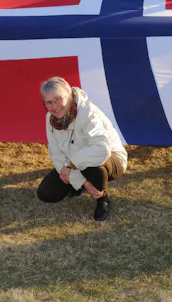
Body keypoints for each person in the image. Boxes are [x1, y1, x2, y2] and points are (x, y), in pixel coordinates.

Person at [36, 77, 128, 222]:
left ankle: (102, 199)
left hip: (109, 159)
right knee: (46, 193)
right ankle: (82, 185)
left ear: (69, 95)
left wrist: (69, 164)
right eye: (49, 102)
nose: (54, 107)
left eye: (58, 99)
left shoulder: (88, 112)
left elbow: (102, 149)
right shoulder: (50, 118)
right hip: (74, 163)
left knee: (92, 168)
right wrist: (81, 182)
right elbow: (56, 153)